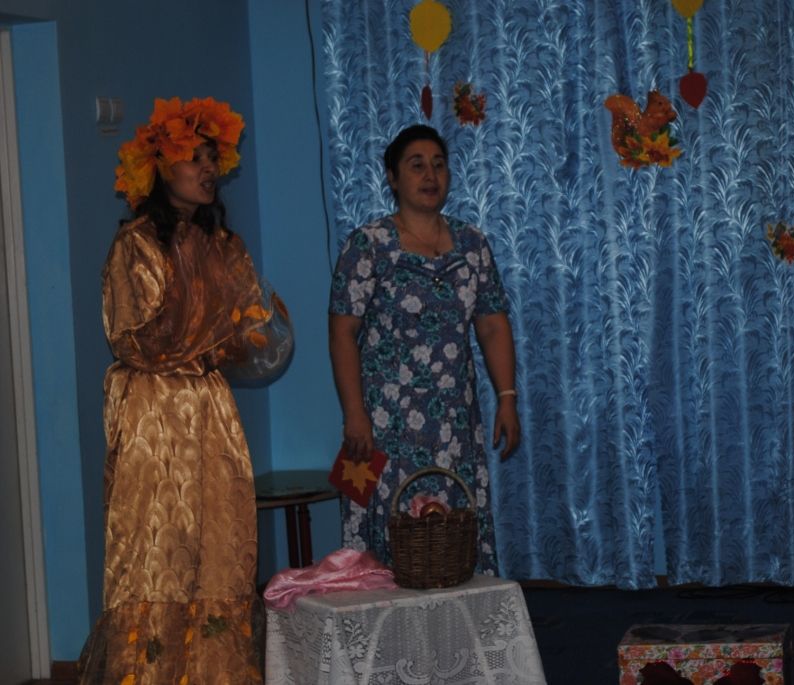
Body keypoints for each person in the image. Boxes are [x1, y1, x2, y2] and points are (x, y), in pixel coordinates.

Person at [79, 97, 290, 684]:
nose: (208, 169)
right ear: (159, 167)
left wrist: (252, 331)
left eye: (212, 158)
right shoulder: (137, 245)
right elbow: (138, 338)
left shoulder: (226, 246)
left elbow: (246, 336)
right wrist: (219, 327)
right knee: (157, 556)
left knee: (219, 555)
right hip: (154, 414)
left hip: (209, 408)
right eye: (193, 158)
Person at [329, 124, 520, 574]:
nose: (430, 175)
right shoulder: (368, 245)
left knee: (452, 537)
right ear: (392, 178)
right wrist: (354, 414)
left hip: (454, 424)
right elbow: (342, 333)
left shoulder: (472, 245)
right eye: (416, 165)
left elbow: (492, 326)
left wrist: (507, 399)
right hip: (382, 423)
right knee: (386, 541)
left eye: (439, 165)